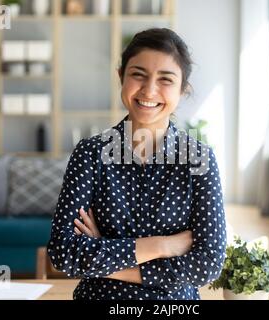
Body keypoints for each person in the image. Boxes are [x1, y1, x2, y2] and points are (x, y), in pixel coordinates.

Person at [47, 28, 227, 300]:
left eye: (165, 79)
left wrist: (103, 253)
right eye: (138, 75)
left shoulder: (198, 158)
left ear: (182, 90)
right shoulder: (89, 154)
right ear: (121, 76)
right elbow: (63, 253)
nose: (149, 90)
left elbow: (208, 264)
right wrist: (164, 246)